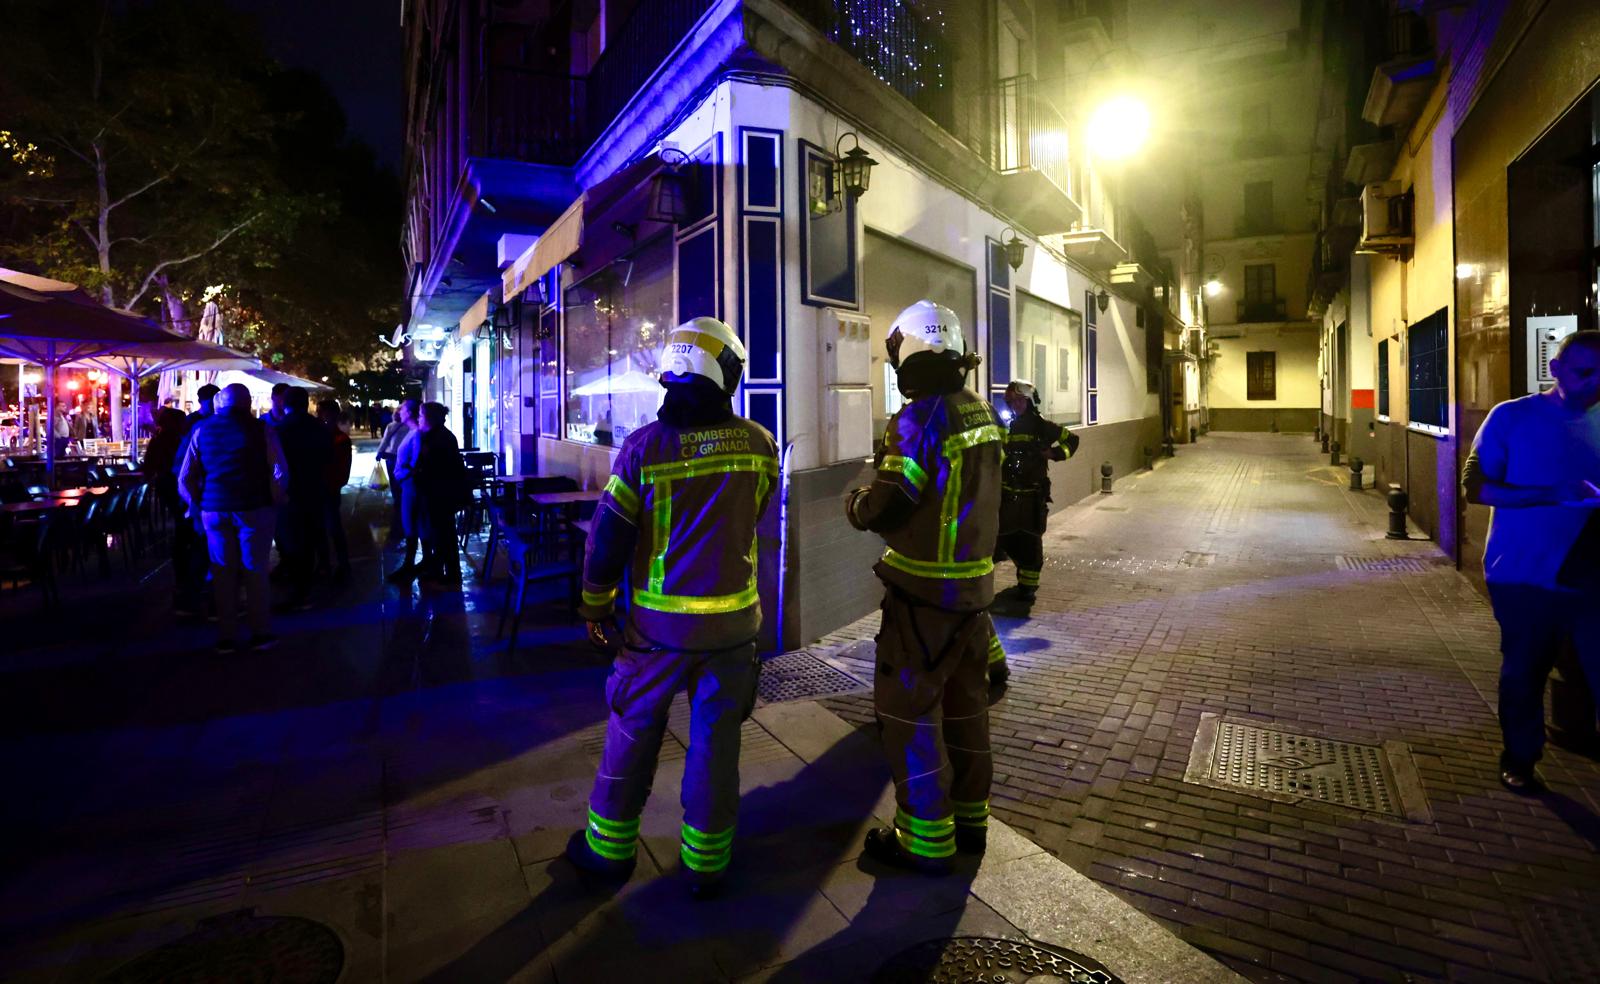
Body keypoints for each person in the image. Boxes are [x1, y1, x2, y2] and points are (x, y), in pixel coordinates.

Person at [565, 317, 777, 899]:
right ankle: (707, 864)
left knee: (633, 732)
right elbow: (755, 517)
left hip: (657, 632)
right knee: (717, 742)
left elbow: (608, 539)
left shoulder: (642, 450)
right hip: (734, 628)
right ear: (725, 374)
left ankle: (607, 853)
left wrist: (595, 605)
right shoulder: (760, 444)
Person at [844, 300, 1002, 874]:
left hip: (922, 601)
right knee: (967, 711)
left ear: (906, 354)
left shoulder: (917, 420)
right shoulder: (981, 411)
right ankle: (971, 824)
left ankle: (925, 841)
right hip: (973, 595)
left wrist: (856, 503)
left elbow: (890, 504)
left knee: (909, 714)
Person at [1462, 330, 1600, 793]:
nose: (1594, 383)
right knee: (1524, 670)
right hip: (1523, 572)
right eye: (1584, 372)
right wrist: (1551, 494)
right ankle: (1520, 756)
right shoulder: (1511, 418)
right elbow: (1475, 487)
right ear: (1555, 368)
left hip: (1591, 573)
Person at [178, 383, 288, 653]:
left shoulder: (201, 430)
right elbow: (280, 471)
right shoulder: (262, 429)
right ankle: (260, 634)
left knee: (222, 572)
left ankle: (226, 637)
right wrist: (276, 498)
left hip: (213, 510)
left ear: (219, 404)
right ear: (247, 403)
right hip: (254, 508)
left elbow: (184, 478)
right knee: (255, 571)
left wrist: (194, 506)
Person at [995, 379, 1079, 604]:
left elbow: (1072, 440)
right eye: (1010, 401)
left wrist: (1053, 454)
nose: (1013, 405)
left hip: (1032, 497)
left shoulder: (1042, 426)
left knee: (1030, 543)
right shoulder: (1006, 426)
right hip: (1008, 497)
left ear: (1028, 400)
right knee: (1005, 539)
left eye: (1017, 400)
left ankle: (1027, 587)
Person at [271, 387, 333, 610]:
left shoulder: (280, 430)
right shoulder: (320, 428)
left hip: (290, 493)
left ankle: (298, 591)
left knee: (291, 541)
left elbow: (274, 464)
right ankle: (305, 588)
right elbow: (328, 458)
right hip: (315, 490)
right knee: (310, 539)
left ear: (283, 404)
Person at [392, 401, 465, 584]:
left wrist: (414, 471)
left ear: (430, 418)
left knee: (444, 535)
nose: (420, 419)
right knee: (442, 534)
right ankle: (443, 571)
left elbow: (435, 467)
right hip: (438, 494)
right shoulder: (439, 435)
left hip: (438, 495)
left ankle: (450, 575)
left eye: (422, 416)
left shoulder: (436, 438)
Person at [170, 384, 220, 616]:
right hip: (201, 498)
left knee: (203, 549)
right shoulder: (197, 426)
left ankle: (194, 597)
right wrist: (191, 500)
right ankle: (196, 598)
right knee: (201, 549)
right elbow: (184, 467)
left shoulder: (198, 425)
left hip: (200, 498)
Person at [317, 399, 353, 581]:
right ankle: (334, 563)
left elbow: (340, 466)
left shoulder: (337, 438)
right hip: (328, 487)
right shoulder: (338, 437)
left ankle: (336, 563)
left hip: (326, 488)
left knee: (331, 527)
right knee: (329, 527)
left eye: (321, 411)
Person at [379, 399, 418, 553]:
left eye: (402, 410)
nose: (398, 412)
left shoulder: (416, 433)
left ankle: (411, 558)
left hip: (409, 483)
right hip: (406, 479)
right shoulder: (410, 431)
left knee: (410, 522)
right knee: (409, 521)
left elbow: (415, 462)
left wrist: (405, 475)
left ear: (408, 413)